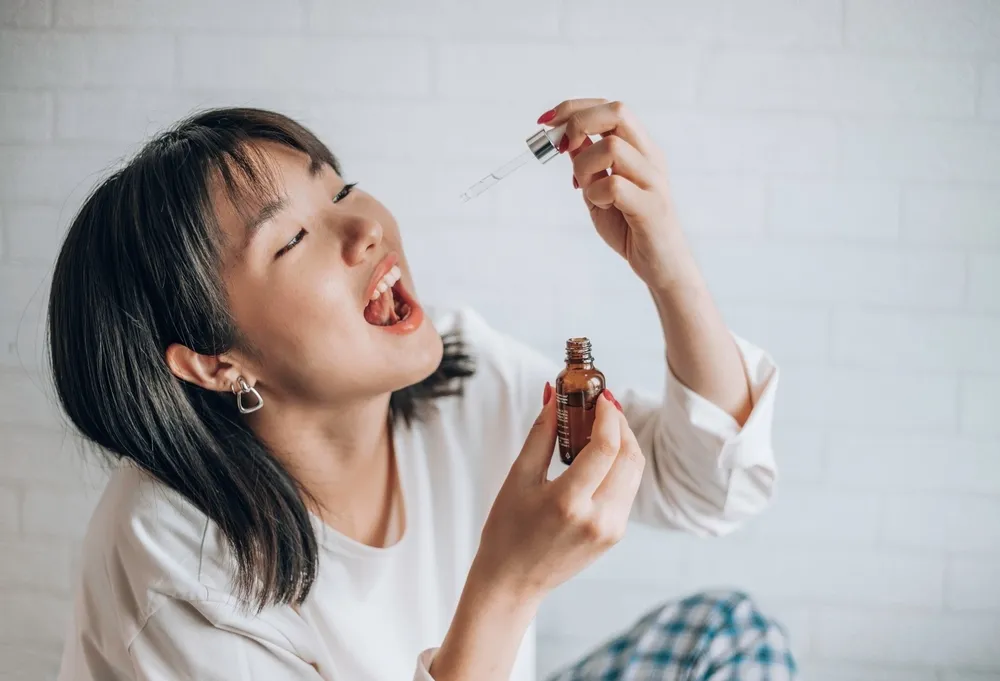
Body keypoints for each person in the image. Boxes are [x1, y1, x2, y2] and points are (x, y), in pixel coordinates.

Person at [49, 99, 794, 681]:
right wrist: (506, 585)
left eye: (340, 187)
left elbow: (707, 486)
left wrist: (666, 265)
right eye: (294, 239)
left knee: (730, 632)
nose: (363, 226)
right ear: (216, 362)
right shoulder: (176, 558)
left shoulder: (463, 378)